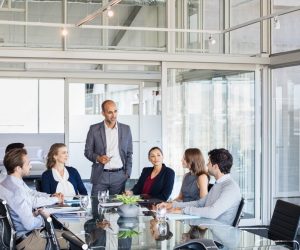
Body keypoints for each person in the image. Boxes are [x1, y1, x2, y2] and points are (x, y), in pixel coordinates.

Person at [0, 148, 66, 250]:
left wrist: (36, 212)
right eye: (28, 164)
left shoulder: (6, 183)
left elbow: (27, 199)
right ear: (18, 168)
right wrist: (43, 217)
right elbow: (29, 224)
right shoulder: (17, 191)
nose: (31, 166)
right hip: (29, 241)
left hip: (19, 238)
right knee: (73, 240)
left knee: (65, 234)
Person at [158, 148, 241, 225]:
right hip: (210, 227)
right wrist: (173, 205)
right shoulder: (218, 184)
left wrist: (182, 210)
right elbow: (200, 203)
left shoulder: (230, 187)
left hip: (219, 235)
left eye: (209, 162)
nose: (207, 165)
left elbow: (212, 212)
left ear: (215, 167)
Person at [84, 100, 133, 196]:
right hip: (100, 175)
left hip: (119, 175)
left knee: (116, 207)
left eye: (115, 111)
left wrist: (127, 173)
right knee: (96, 206)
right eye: (110, 112)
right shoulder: (94, 129)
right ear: (103, 113)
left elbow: (129, 153)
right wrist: (98, 158)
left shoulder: (126, 129)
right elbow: (87, 151)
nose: (114, 115)